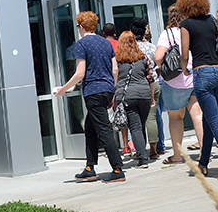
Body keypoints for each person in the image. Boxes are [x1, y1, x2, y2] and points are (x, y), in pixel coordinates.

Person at [54, 11, 126, 183]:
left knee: (104, 129)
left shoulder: (81, 44)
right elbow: (115, 70)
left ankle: (117, 169)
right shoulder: (106, 43)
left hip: (93, 91)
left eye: (78, 26)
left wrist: (64, 88)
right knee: (91, 127)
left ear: (81, 26)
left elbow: (80, 73)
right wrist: (112, 91)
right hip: (108, 88)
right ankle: (89, 167)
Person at [179, 0, 218, 180]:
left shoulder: (186, 25)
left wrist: (184, 68)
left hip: (202, 72)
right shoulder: (212, 21)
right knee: (209, 117)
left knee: (214, 120)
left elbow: (184, 53)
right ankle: (203, 164)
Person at [154, 5, 202, 165]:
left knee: (175, 118)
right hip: (195, 77)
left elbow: (158, 57)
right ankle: (204, 151)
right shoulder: (192, 30)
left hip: (175, 81)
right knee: (198, 115)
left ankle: (177, 155)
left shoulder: (167, 34)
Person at [114, 31, 154, 167]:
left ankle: (142, 158)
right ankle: (142, 152)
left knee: (135, 127)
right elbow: (151, 79)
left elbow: (114, 78)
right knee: (140, 125)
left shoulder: (118, 60)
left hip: (127, 96)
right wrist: (152, 97)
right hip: (144, 95)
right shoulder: (143, 58)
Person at [131, 17, 163, 156]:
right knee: (151, 118)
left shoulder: (130, 49)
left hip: (136, 85)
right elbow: (158, 65)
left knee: (137, 121)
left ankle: (140, 151)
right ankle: (154, 150)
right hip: (153, 83)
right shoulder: (151, 47)